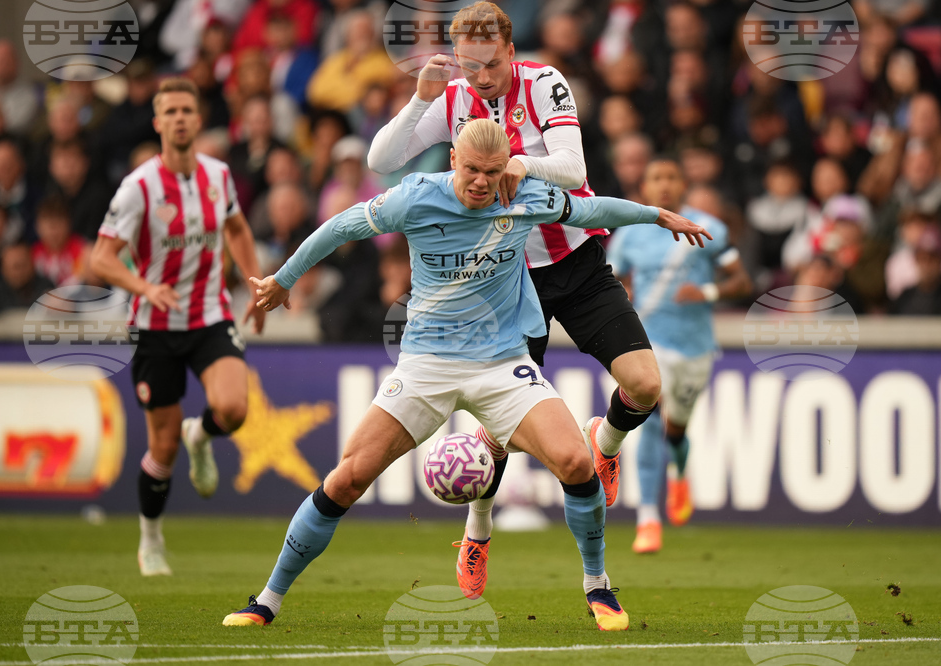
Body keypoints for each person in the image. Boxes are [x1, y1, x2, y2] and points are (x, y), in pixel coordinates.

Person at [223, 119, 709, 631]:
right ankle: (267, 600)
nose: (482, 182)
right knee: (346, 478)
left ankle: (598, 587)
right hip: (426, 366)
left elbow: (593, 209)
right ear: (453, 158)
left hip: (501, 362)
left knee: (573, 461)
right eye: (472, 170)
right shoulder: (413, 198)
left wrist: (656, 216)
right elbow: (341, 226)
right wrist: (284, 278)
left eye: (493, 172)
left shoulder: (525, 195)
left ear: (507, 168)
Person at [366, 0, 665, 600]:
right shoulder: (451, 101)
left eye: (490, 62)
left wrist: (516, 163)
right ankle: (477, 533)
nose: (480, 76)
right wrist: (421, 99)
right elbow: (380, 161)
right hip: (506, 279)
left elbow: (574, 167)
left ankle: (603, 443)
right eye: (469, 65)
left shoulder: (545, 82)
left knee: (648, 385)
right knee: (497, 432)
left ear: (509, 46)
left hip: (576, 262)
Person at [90, 77, 266, 576]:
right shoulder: (138, 187)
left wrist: (256, 285)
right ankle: (150, 540)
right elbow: (101, 259)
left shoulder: (218, 175)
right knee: (160, 447)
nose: (180, 118)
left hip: (210, 315)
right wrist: (144, 288)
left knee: (232, 409)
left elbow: (235, 227)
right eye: (170, 112)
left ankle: (202, 435)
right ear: (158, 122)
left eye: (188, 109)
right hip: (155, 327)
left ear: (198, 117)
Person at [607, 157, 752, 554]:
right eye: (656, 178)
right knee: (649, 423)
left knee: (676, 429)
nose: (664, 185)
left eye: (671, 177)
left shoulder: (709, 228)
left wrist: (706, 293)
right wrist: (623, 297)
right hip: (648, 343)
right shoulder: (631, 233)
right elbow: (610, 278)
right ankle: (648, 519)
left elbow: (742, 280)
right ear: (645, 188)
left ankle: (680, 472)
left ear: (684, 184)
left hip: (695, 346)